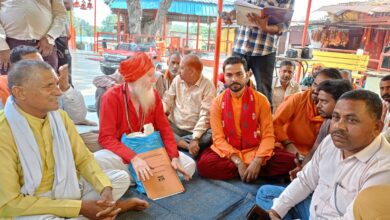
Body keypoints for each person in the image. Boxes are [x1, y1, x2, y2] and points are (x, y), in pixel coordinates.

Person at [0, 60, 149, 219]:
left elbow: (83, 158)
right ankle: (109, 210)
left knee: (119, 179)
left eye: (56, 84)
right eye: (48, 86)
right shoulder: (4, 131)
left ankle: (100, 210)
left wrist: (105, 189)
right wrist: (79, 207)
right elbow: (9, 204)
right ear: (19, 92)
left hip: (68, 186)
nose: (58, 92)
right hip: (32, 202)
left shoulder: (59, 117)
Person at [256, 90, 390, 220]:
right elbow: (306, 181)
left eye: (352, 120)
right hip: (313, 210)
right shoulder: (331, 142)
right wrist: (275, 213)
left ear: (377, 128)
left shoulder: (384, 167)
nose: (339, 127)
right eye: (336, 117)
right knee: (267, 193)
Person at [98, 52, 196, 182]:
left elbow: (165, 129)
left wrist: (174, 157)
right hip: (124, 155)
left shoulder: (153, 95)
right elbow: (106, 138)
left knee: (189, 165)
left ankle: (139, 177)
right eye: (149, 76)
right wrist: (134, 158)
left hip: (152, 150)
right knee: (97, 160)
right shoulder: (111, 97)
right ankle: (140, 176)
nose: (154, 80)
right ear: (136, 77)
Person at [197, 56, 295, 182]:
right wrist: (238, 162)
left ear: (248, 75)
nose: (234, 79)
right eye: (229, 75)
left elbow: (268, 135)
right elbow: (218, 139)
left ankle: (251, 170)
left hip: (255, 148)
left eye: (239, 74)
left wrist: (258, 161)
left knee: (291, 162)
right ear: (224, 77)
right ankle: (251, 172)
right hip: (229, 152)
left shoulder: (261, 100)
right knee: (204, 166)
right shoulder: (217, 102)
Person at [221, 0, 295, 102]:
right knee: (232, 86)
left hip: (264, 50)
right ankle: (230, 115)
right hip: (240, 46)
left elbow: (285, 24)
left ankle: (263, 117)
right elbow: (239, 10)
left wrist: (266, 28)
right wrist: (230, 15)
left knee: (263, 92)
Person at [9, 45, 96, 126]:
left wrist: (65, 88)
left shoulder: (53, 88)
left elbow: (77, 118)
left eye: (42, 64)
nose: (58, 93)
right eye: (31, 66)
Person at [289, 79, 353, 180]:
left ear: (340, 102)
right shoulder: (326, 123)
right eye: (318, 101)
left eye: (324, 101)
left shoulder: (348, 131)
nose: (318, 105)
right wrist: (301, 172)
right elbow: (313, 152)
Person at [273, 68, 342, 157]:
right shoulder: (297, 99)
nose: (315, 90)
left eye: (322, 88)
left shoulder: (335, 113)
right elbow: (275, 123)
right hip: (286, 149)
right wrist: (287, 143)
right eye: (315, 84)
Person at [163, 54, 216, 157]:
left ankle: (181, 144)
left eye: (182, 68)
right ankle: (187, 146)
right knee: (159, 127)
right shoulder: (178, 80)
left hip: (194, 131)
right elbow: (167, 100)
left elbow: (205, 116)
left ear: (192, 72)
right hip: (174, 126)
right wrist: (160, 112)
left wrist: (195, 138)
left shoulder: (208, 86)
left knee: (210, 135)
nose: (178, 70)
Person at [0, 0, 67, 74]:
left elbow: (61, 14)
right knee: (10, 82)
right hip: (9, 46)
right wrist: (2, 46)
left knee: (46, 81)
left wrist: (50, 37)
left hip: (44, 45)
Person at [56, 0, 73, 85]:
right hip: (42, 35)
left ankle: (67, 88)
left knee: (64, 65)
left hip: (60, 35)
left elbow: (69, 5)